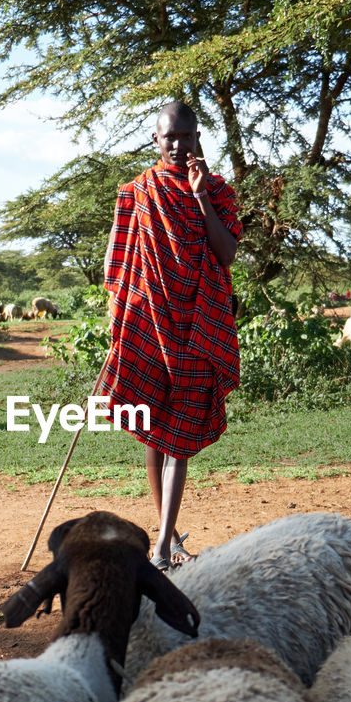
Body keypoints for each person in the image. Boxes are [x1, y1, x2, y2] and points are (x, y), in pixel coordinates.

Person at [102, 101, 241, 570]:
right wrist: (119, 323)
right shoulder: (138, 193)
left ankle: (161, 546)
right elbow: (115, 267)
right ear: (156, 141)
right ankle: (170, 537)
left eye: (189, 136)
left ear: (199, 138)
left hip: (198, 329)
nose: (180, 146)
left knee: (179, 440)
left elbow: (226, 256)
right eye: (171, 138)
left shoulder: (218, 192)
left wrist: (201, 198)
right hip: (151, 327)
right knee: (154, 434)